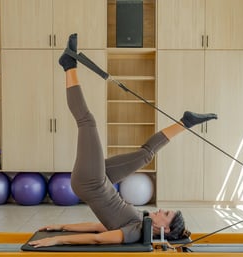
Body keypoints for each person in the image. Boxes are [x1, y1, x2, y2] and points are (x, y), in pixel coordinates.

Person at [29, 34, 217, 248]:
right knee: (146, 154)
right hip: (103, 180)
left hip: (91, 183)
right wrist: (62, 226)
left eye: (165, 213)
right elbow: (97, 226)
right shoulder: (141, 220)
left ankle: (68, 65)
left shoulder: (135, 232)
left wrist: (58, 239)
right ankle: (186, 122)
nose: (160, 210)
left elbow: (99, 238)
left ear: (164, 229)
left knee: (87, 121)